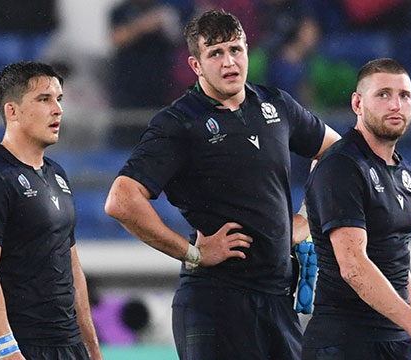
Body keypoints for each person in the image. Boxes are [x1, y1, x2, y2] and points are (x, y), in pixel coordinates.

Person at [104, 9, 340, 359]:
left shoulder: (276, 104)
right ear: (196, 65)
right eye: (215, 53)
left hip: (278, 300)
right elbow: (121, 200)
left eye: (235, 49)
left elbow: (336, 151)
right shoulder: (179, 122)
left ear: (248, 50)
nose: (229, 61)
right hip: (215, 302)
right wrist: (193, 254)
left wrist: (306, 216)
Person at [301, 58, 411, 360]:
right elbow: (353, 266)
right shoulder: (341, 165)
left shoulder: (405, 172)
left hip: (396, 341)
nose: (396, 105)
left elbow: (398, 261)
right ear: (357, 103)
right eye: (383, 94)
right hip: (345, 343)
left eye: (404, 95)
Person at [0, 62, 103, 360]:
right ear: (12, 111)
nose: (58, 109)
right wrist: (10, 353)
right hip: (20, 348)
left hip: (69, 346)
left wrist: (91, 349)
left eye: (58, 99)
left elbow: (72, 268)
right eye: (44, 99)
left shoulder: (57, 174)